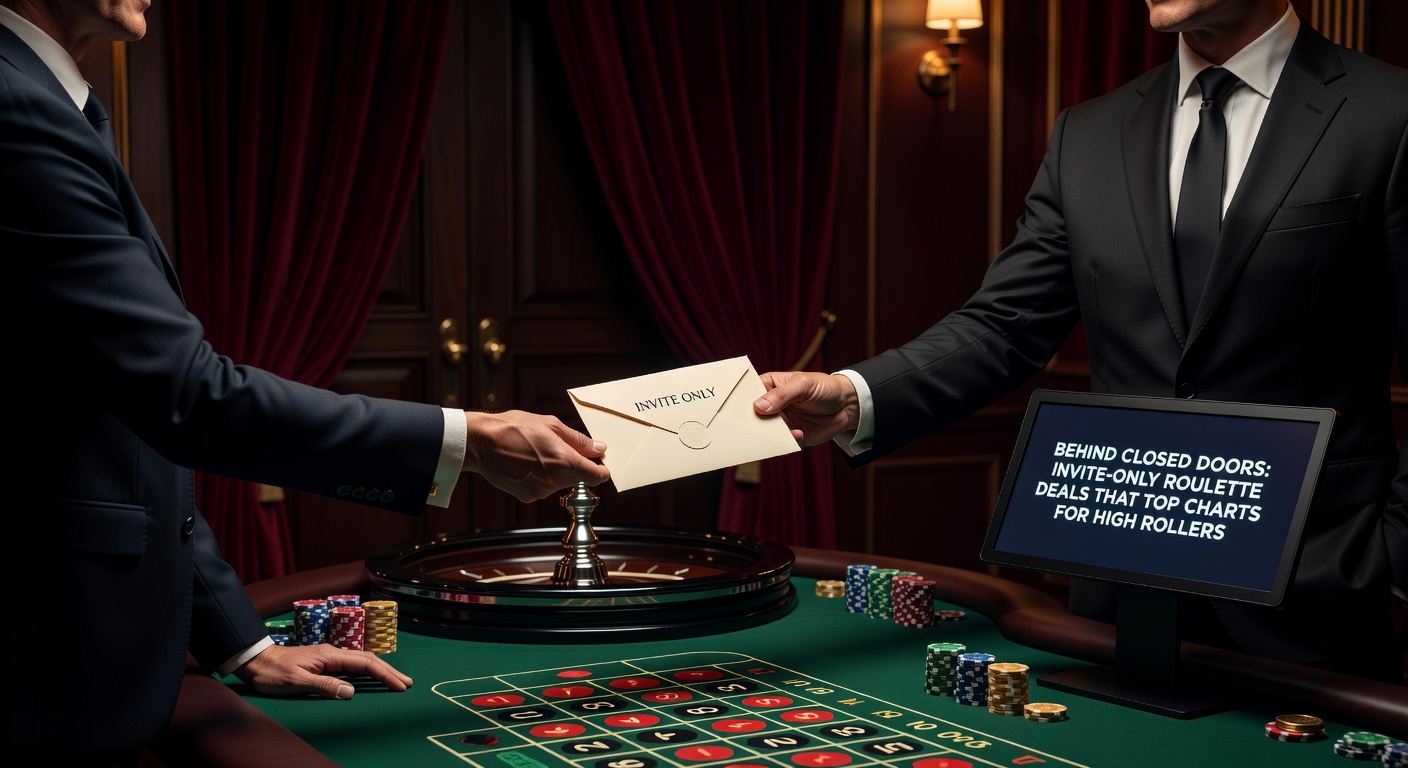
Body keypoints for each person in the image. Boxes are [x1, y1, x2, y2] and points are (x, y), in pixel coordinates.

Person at [0, 0, 612, 763]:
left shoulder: (51, 97)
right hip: (41, 666)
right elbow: (182, 394)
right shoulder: (15, 103)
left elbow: (112, 413)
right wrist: (465, 439)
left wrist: (241, 640)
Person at [755, 0, 1407, 682]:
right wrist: (853, 396)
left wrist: (1392, 570)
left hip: (1318, 587)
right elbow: (1005, 324)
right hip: (1119, 586)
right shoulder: (1088, 131)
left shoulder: (1390, 113)